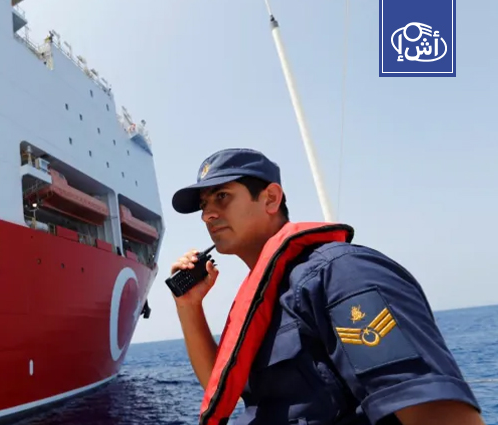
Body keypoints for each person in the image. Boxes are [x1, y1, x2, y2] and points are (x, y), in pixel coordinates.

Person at [169, 148, 484, 425]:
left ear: (271, 198)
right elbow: (222, 385)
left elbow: (437, 413)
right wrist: (188, 305)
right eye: (204, 204)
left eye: (222, 196)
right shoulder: (263, 298)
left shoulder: (341, 274)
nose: (207, 215)